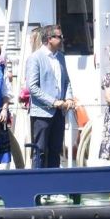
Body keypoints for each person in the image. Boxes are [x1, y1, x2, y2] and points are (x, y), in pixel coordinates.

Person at [25, 26, 74, 168]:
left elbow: (66, 81)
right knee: (39, 151)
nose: (62, 39)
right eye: (59, 36)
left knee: (55, 150)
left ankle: (54, 186)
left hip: (59, 113)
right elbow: (32, 87)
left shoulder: (61, 57)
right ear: (49, 39)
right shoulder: (35, 58)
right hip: (41, 114)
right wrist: (54, 102)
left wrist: (69, 98)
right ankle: (37, 186)